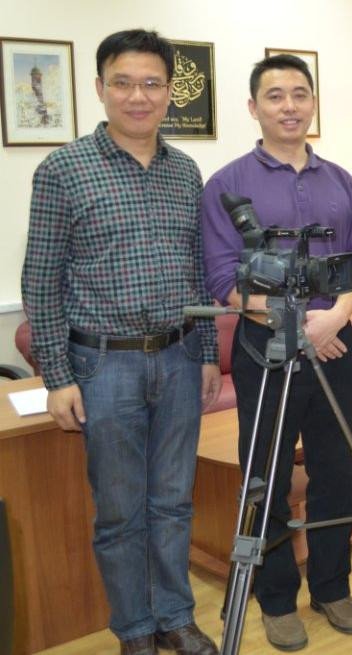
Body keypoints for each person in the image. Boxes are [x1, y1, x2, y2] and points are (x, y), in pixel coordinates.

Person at [21, 29, 220, 655]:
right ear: (100, 88)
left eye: (152, 83)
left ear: (170, 93)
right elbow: (40, 279)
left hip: (180, 357)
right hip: (102, 366)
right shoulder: (62, 169)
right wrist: (57, 377)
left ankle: (175, 617)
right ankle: (134, 628)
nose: (139, 96)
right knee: (118, 511)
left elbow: (200, 269)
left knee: (173, 501)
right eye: (124, 82)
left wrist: (208, 351)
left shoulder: (186, 171)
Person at [200, 54, 352, 651]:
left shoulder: (339, 180)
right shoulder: (227, 184)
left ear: (313, 103)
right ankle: (276, 598)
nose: (290, 106)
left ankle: (331, 586)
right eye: (275, 96)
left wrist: (333, 318)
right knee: (268, 477)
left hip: (335, 344)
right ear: (254, 107)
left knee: (337, 473)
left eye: (300, 94)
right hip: (267, 349)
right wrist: (297, 324)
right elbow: (224, 279)